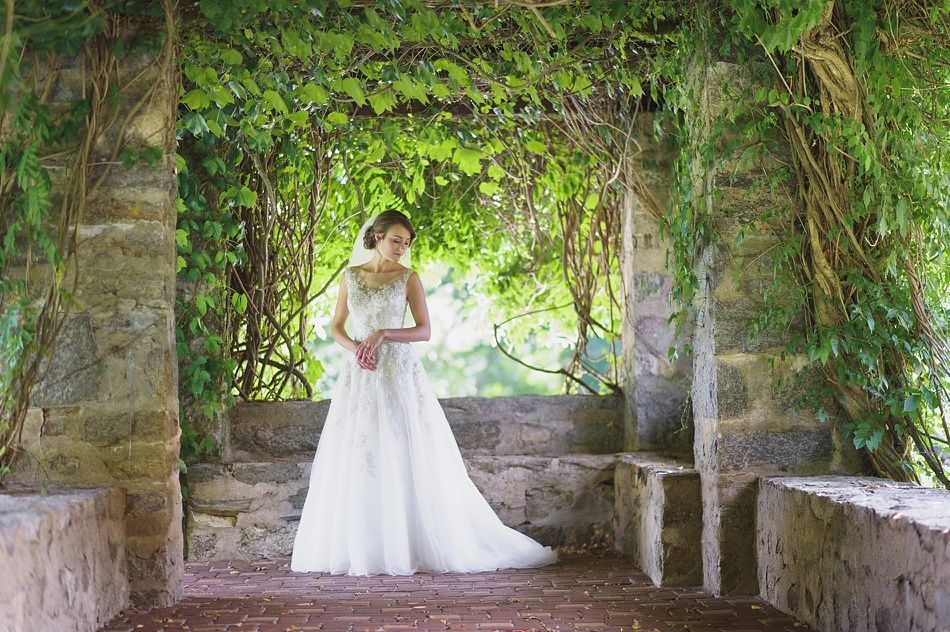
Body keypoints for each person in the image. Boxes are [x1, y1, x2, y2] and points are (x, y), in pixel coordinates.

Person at [290, 210, 558, 576]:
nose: (401, 248)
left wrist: (383, 333)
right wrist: (356, 349)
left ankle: (411, 544)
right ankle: (368, 546)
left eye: (406, 242)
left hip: (398, 373)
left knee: (404, 450)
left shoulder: (408, 279)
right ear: (377, 236)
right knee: (361, 452)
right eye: (396, 240)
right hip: (361, 374)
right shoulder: (350, 277)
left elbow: (424, 330)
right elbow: (336, 327)